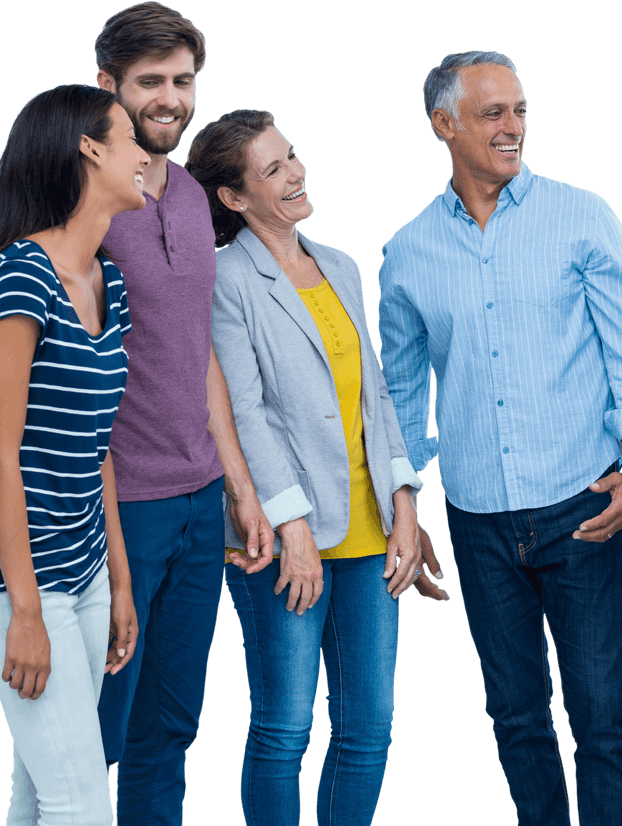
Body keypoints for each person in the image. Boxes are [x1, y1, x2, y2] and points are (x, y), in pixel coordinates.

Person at [378, 50, 622, 826]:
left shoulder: (583, 215)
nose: (514, 127)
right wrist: (401, 505)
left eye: (520, 110)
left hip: (583, 504)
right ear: (444, 125)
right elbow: (402, 398)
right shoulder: (406, 253)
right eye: (492, 113)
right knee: (515, 718)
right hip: (477, 521)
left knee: (603, 716)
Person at [185, 109, 444, 826]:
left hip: (370, 534)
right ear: (234, 197)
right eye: (272, 170)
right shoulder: (226, 278)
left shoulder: (340, 265)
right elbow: (243, 410)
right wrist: (292, 526)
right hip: (282, 533)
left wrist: (405, 499)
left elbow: (379, 393)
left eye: (292, 157)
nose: (296, 173)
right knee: (285, 727)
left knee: (371, 726)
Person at [90, 6, 274, 824]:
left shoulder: (198, 198)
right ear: (109, 88)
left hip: (199, 503)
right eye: (150, 83)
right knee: (95, 731)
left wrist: (238, 482)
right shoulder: (80, 193)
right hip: (114, 508)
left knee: (171, 726)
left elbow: (197, 346)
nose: (170, 99)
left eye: (183, 81)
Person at [0, 84, 148, 826]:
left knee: (41, 791)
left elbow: (97, 446)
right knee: (80, 802)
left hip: (86, 568)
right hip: (14, 583)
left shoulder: (109, 282)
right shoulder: (19, 279)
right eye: (128, 137)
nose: (142, 155)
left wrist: (120, 583)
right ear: (89, 149)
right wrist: (25, 612)